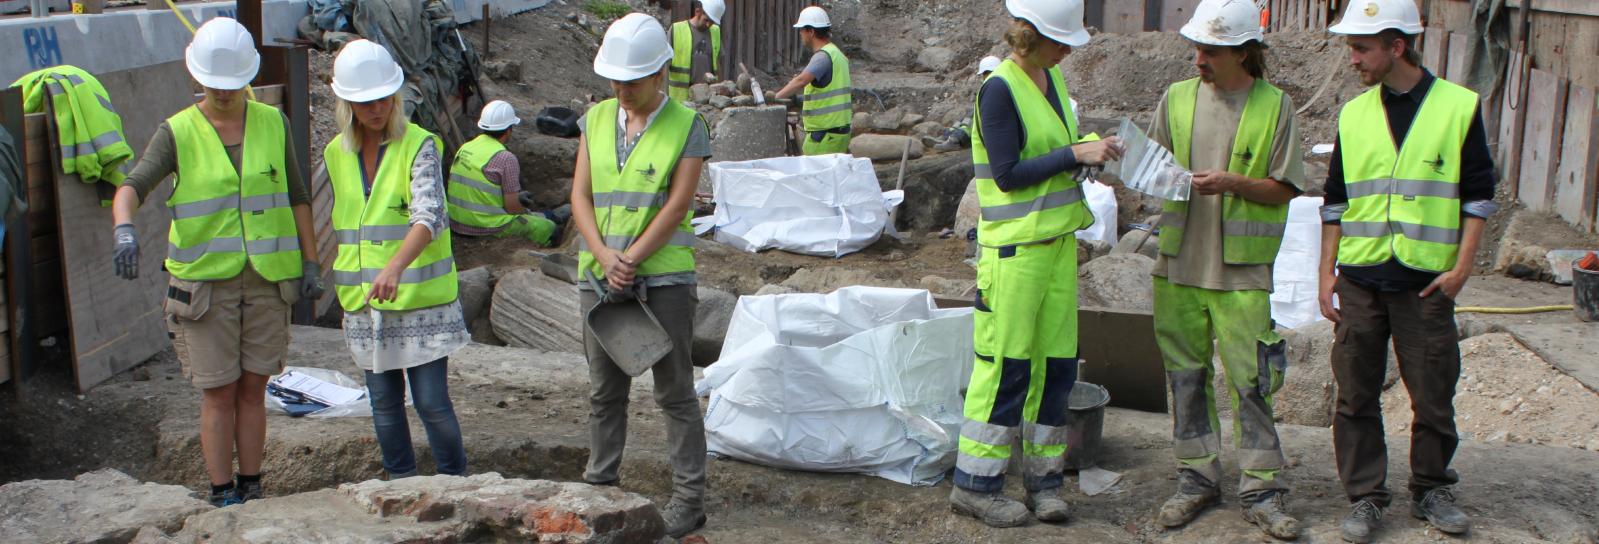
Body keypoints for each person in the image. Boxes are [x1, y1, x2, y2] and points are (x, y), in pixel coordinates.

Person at [111, 17, 322, 506]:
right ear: (197, 77)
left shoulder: (273, 122)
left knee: (253, 388)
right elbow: (132, 186)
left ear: (247, 78)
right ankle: (221, 490)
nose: (224, 93)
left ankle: (252, 485)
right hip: (205, 288)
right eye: (214, 84)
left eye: (232, 85)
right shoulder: (178, 132)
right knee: (218, 392)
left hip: (268, 281)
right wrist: (123, 227)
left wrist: (310, 262)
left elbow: (298, 195)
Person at [1320, 1, 1494, 542]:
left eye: (1362, 47)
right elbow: (1335, 202)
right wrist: (1326, 272)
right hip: (1362, 278)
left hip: (1426, 282)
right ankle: (1366, 496)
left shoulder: (1458, 108)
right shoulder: (1354, 114)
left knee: (1433, 392)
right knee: (1354, 395)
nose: (1353, 58)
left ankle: (1432, 488)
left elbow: (1479, 196)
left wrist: (1463, 267)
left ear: (1397, 47)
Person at [951, 0, 1122, 528]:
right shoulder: (1000, 89)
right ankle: (976, 486)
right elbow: (1006, 173)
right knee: (1006, 371)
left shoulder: (1052, 85)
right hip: (1014, 257)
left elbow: (1055, 151)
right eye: (1060, 40)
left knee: (1054, 371)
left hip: (1054, 250)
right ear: (1029, 35)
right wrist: (1076, 155)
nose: (1069, 50)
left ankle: (1044, 483)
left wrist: (1087, 148)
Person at [1144, 0, 1306, 539]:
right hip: (1178, 265)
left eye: (1210, 50)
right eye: (1197, 48)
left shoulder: (1275, 106)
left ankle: (1261, 487)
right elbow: (1151, 171)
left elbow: (1284, 187)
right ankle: (1197, 478)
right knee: (1186, 378)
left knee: (1253, 381)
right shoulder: (1176, 98)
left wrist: (1233, 183)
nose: (1199, 59)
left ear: (1242, 52)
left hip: (1241, 273)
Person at [571, 13, 712, 539]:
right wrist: (605, 256)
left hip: (664, 282)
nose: (622, 90)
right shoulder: (596, 119)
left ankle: (687, 501)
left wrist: (629, 258)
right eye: (616, 80)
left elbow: (677, 207)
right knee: (604, 392)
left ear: (661, 73)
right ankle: (599, 485)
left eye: (632, 80)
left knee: (674, 392)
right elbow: (580, 196)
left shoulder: (688, 125)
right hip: (599, 278)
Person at [325, 39, 471, 480]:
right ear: (348, 103)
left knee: (430, 401)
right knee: (384, 403)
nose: (377, 108)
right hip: (365, 301)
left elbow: (429, 214)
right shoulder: (336, 153)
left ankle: (454, 483)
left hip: (419, 296)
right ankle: (401, 484)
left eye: (385, 98)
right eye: (366, 102)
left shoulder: (419, 144)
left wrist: (394, 267)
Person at [447, 99, 568, 246]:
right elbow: (512, 209)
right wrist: (526, 212)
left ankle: (549, 215)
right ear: (509, 129)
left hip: (456, 222)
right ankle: (551, 219)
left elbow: (479, 187)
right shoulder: (505, 158)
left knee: (529, 214)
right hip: (483, 226)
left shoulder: (466, 147)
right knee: (547, 227)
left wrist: (516, 197)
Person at [774, 6, 852, 155]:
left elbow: (801, 81)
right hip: (837, 132)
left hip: (824, 135)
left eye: (802, 30)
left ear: (811, 31)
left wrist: (775, 97)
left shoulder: (822, 57)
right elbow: (828, 94)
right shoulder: (837, 54)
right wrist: (798, 100)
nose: (801, 34)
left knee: (815, 177)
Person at [667, 0, 726, 102]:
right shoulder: (676, 30)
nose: (708, 25)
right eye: (706, 20)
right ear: (698, 11)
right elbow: (664, 65)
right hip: (680, 98)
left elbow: (717, 62)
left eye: (712, 22)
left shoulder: (715, 31)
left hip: (708, 99)